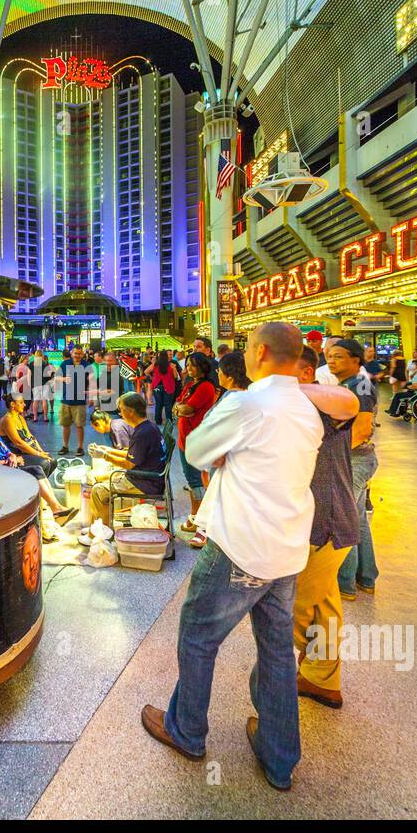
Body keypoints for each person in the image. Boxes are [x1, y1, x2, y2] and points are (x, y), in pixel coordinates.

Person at [141, 322, 323, 792]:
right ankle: (279, 756)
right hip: (287, 550)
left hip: (241, 547)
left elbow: (197, 450)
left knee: (198, 636)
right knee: (278, 652)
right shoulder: (306, 407)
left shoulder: (247, 403)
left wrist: (223, 452)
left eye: (244, 348)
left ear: (260, 352)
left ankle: (187, 731)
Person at [293, 345, 361, 708]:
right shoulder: (300, 406)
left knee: (291, 601)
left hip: (326, 521)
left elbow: (348, 402)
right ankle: (323, 678)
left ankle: (316, 664)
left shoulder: (324, 405)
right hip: (322, 519)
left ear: (305, 373)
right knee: (323, 603)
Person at [325, 339, 380, 599]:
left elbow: (363, 427)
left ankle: (344, 584)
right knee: (356, 520)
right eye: (329, 356)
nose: (331, 360)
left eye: (338, 356)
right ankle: (366, 577)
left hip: (354, 460)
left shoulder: (360, 384)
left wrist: (334, 454)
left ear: (355, 360)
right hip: (356, 458)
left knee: (343, 520)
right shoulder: (348, 384)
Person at [0, 402, 75, 523]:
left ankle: (53, 507)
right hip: (0, 475)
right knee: (36, 470)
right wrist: (11, 460)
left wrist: (12, 456)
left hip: (9, 467)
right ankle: (54, 509)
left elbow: (7, 450)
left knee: (40, 468)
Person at [82, 392, 166, 535]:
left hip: (143, 482)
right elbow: (132, 455)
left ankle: (100, 534)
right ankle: (98, 525)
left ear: (131, 411)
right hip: (145, 477)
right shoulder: (149, 427)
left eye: (121, 409)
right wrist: (107, 450)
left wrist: (105, 456)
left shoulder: (142, 433)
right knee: (97, 478)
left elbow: (128, 464)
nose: (120, 413)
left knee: (98, 491)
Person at [172, 352, 218, 546]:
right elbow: (177, 405)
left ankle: (202, 526)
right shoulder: (191, 384)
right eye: (188, 365)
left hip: (196, 440)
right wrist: (180, 407)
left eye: (192, 365)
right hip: (185, 439)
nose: (188, 369)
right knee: (192, 480)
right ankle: (194, 517)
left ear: (203, 367)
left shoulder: (206, 387)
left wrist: (181, 408)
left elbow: (187, 409)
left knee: (196, 481)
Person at [0, 392, 56, 477]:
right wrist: (38, 454)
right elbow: (18, 443)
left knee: (52, 461)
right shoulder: (7, 420)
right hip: (16, 455)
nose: (24, 405)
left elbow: (30, 437)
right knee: (44, 463)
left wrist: (41, 451)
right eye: (21, 402)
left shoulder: (20, 417)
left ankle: (41, 488)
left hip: (25, 452)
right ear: (12, 404)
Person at [56, 345, 95, 456]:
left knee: (79, 425)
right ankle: (65, 446)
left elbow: (91, 380)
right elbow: (56, 377)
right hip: (66, 400)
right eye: (75, 353)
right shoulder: (65, 364)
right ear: (72, 353)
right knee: (65, 425)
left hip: (79, 401)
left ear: (82, 354)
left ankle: (80, 447)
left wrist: (92, 396)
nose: (77, 355)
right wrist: (63, 379)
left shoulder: (87, 365)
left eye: (79, 353)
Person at [145, 350, 180, 426]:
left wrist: (152, 378)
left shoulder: (155, 365)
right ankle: (169, 422)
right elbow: (175, 376)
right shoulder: (171, 365)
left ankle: (158, 421)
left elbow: (146, 371)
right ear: (167, 357)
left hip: (157, 386)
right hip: (169, 386)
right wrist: (174, 369)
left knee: (158, 404)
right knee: (168, 405)